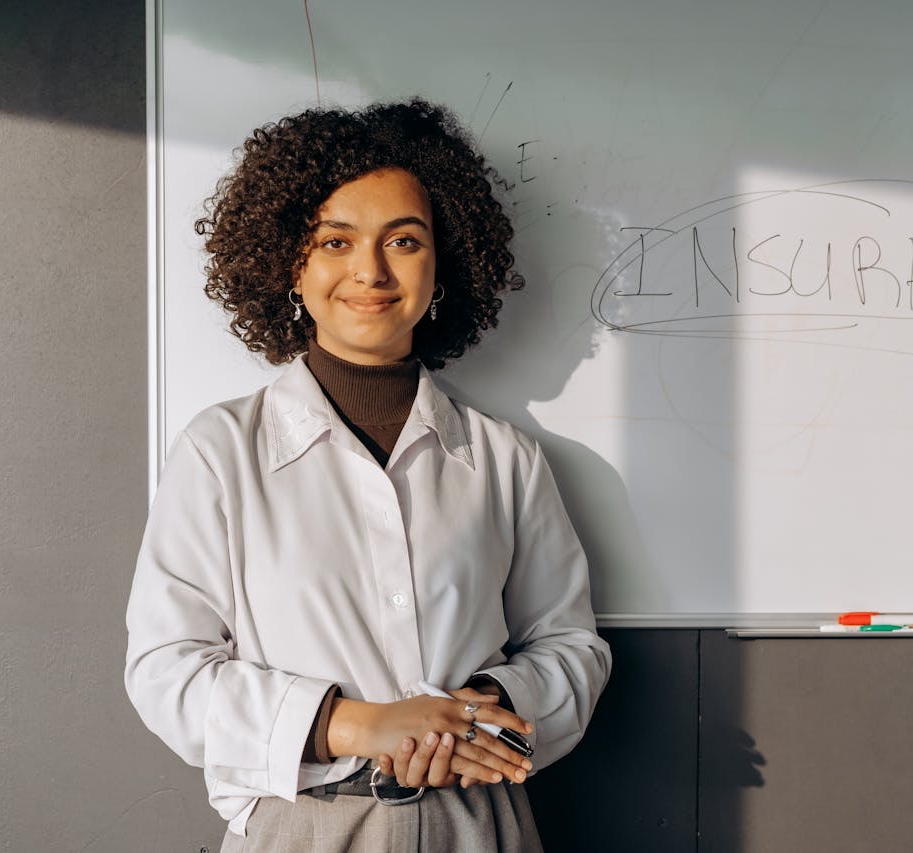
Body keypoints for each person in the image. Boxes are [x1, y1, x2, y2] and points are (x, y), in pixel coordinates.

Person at [124, 99, 611, 852]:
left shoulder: (504, 458)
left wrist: (478, 714)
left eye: (405, 241)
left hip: (478, 820)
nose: (371, 271)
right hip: (302, 825)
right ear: (292, 261)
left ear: (443, 262)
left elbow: (571, 644)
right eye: (336, 241)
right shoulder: (220, 450)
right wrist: (359, 724)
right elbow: (167, 669)